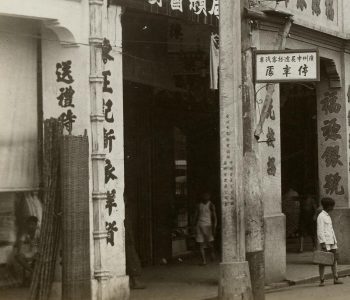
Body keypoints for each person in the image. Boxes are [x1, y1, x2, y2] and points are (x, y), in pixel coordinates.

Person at [317, 197, 343, 286]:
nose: (333, 208)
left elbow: (330, 230)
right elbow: (320, 231)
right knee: (323, 261)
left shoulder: (327, 216)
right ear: (328, 206)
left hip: (332, 241)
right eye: (332, 206)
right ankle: (322, 280)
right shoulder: (321, 216)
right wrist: (323, 243)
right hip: (326, 242)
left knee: (334, 260)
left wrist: (334, 241)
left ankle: (336, 278)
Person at [124, 198, 146, 289]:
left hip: (128, 239)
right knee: (131, 260)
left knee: (131, 260)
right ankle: (134, 282)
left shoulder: (125, 212)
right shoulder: (122, 212)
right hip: (126, 240)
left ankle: (133, 281)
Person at [15, 216, 40, 286]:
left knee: (35, 257)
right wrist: (19, 251)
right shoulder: (26, 233)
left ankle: (32, 273)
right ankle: (33, 272)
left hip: (39, 252)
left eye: (32, 224)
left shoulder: (39, 233)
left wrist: (38, 253)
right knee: (18, 256)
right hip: (32, 252)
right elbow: (21, 241)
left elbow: (43, 245)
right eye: (29, 224)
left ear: (36, 225)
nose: (30, 226)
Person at [193, 192, 217, 265]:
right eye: (204, 195)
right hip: (199, 225)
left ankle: (212, 253)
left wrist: (214, 226)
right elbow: (196, 215)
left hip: (208, 226)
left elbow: (215, 217)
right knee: (201, 244)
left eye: (207, 195)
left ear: (209, 196)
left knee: (209, 243)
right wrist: (193, 225)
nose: (205, 196)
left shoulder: (211, 205)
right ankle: (204, 261)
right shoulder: (199, 205)